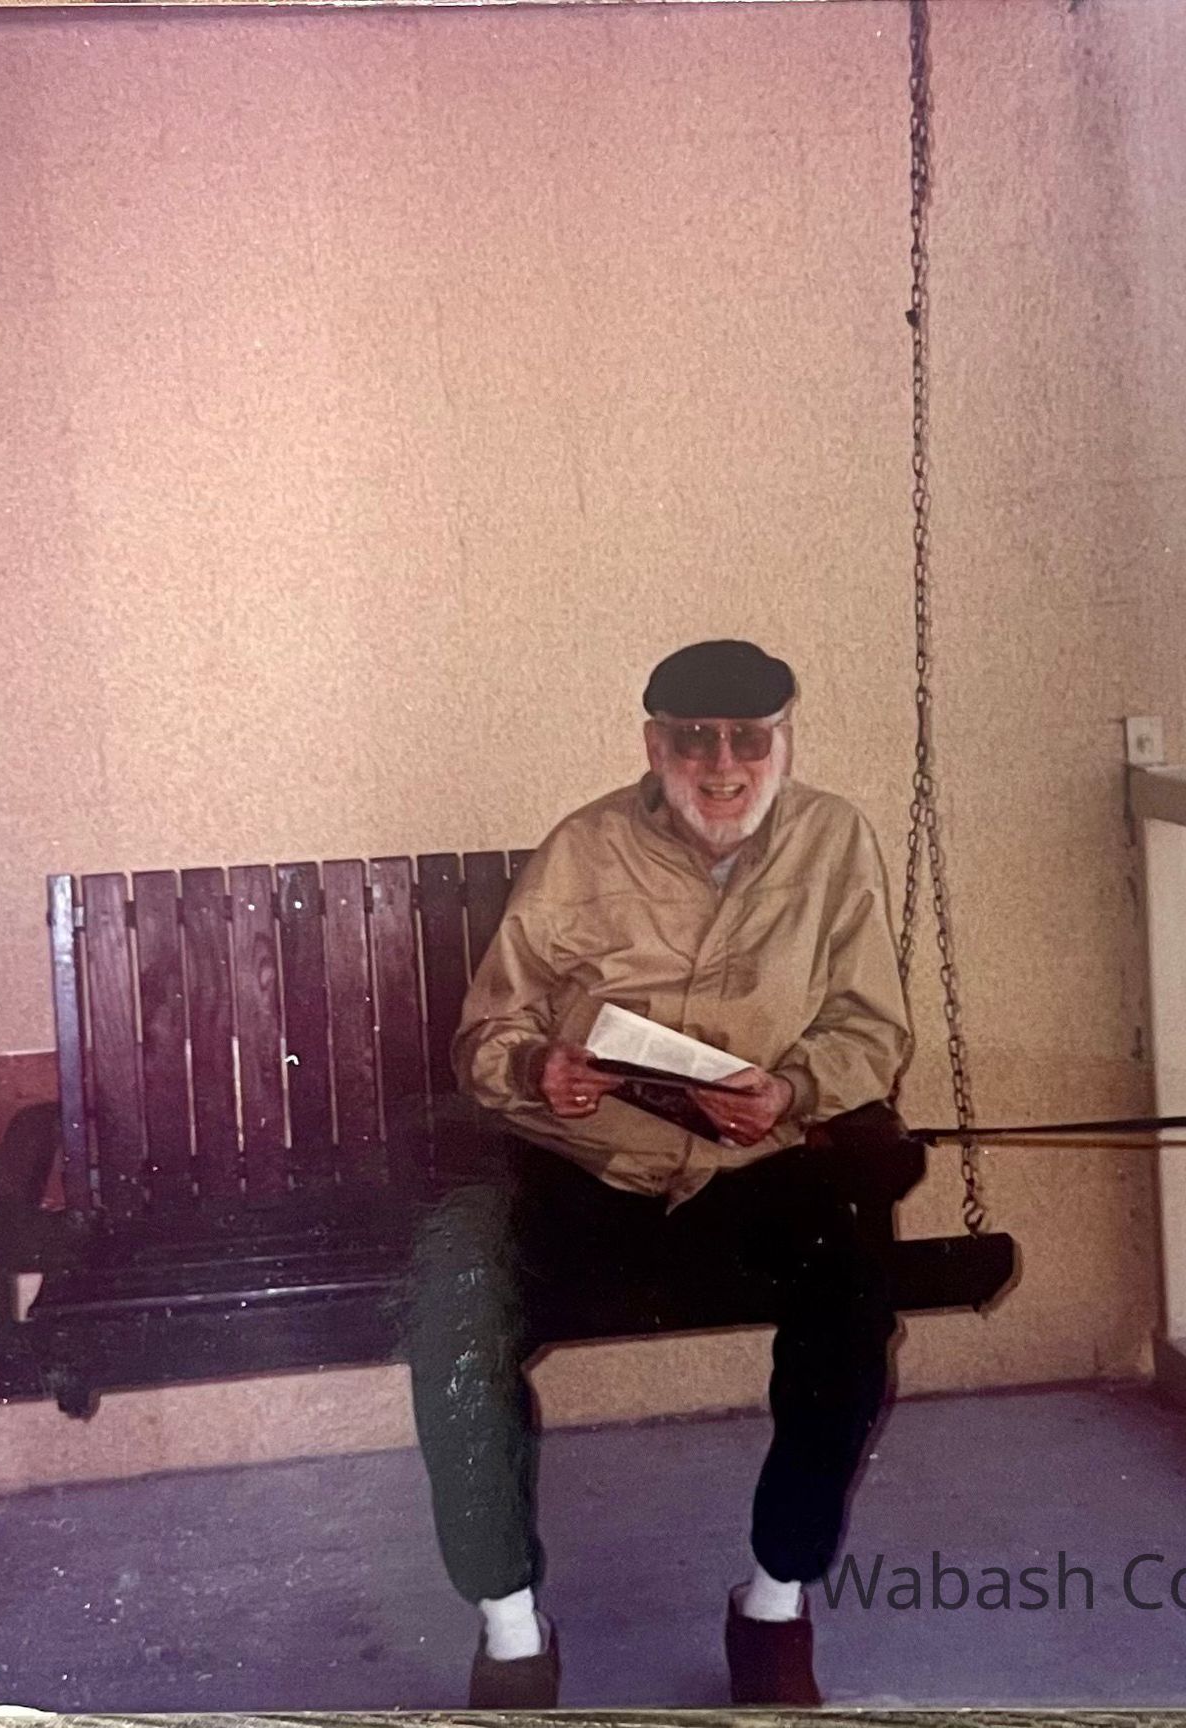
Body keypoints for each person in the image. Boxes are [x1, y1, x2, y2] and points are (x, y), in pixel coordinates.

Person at [398, 639, 921, 1708]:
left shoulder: (834, 842)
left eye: (748, 740)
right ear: (654, 746)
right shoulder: (582, 849)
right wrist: (538, 1070)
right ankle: (509, 1625)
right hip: (583, 1166)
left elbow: (871, 1030)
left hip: (754, 1166)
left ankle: (774, 1599)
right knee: (453, 1295)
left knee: (853, 1297)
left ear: (782, 742)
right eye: (694, 740)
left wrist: (793, 1089)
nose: (722, 766)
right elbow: (488, 1032)